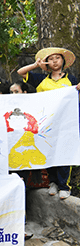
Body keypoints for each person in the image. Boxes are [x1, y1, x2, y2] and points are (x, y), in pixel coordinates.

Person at [17, 47, 79, 199]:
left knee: (64, 153)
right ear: (47, 63)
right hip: (46, 125)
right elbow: (21, 72)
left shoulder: (71, 80)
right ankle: (53, 182)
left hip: (66, 124)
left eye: (57, 58)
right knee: (48, 152)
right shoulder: (40, 79)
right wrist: (36, 65)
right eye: (50, 59)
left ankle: (65, 186)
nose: (54, 61)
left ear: (63, 61)